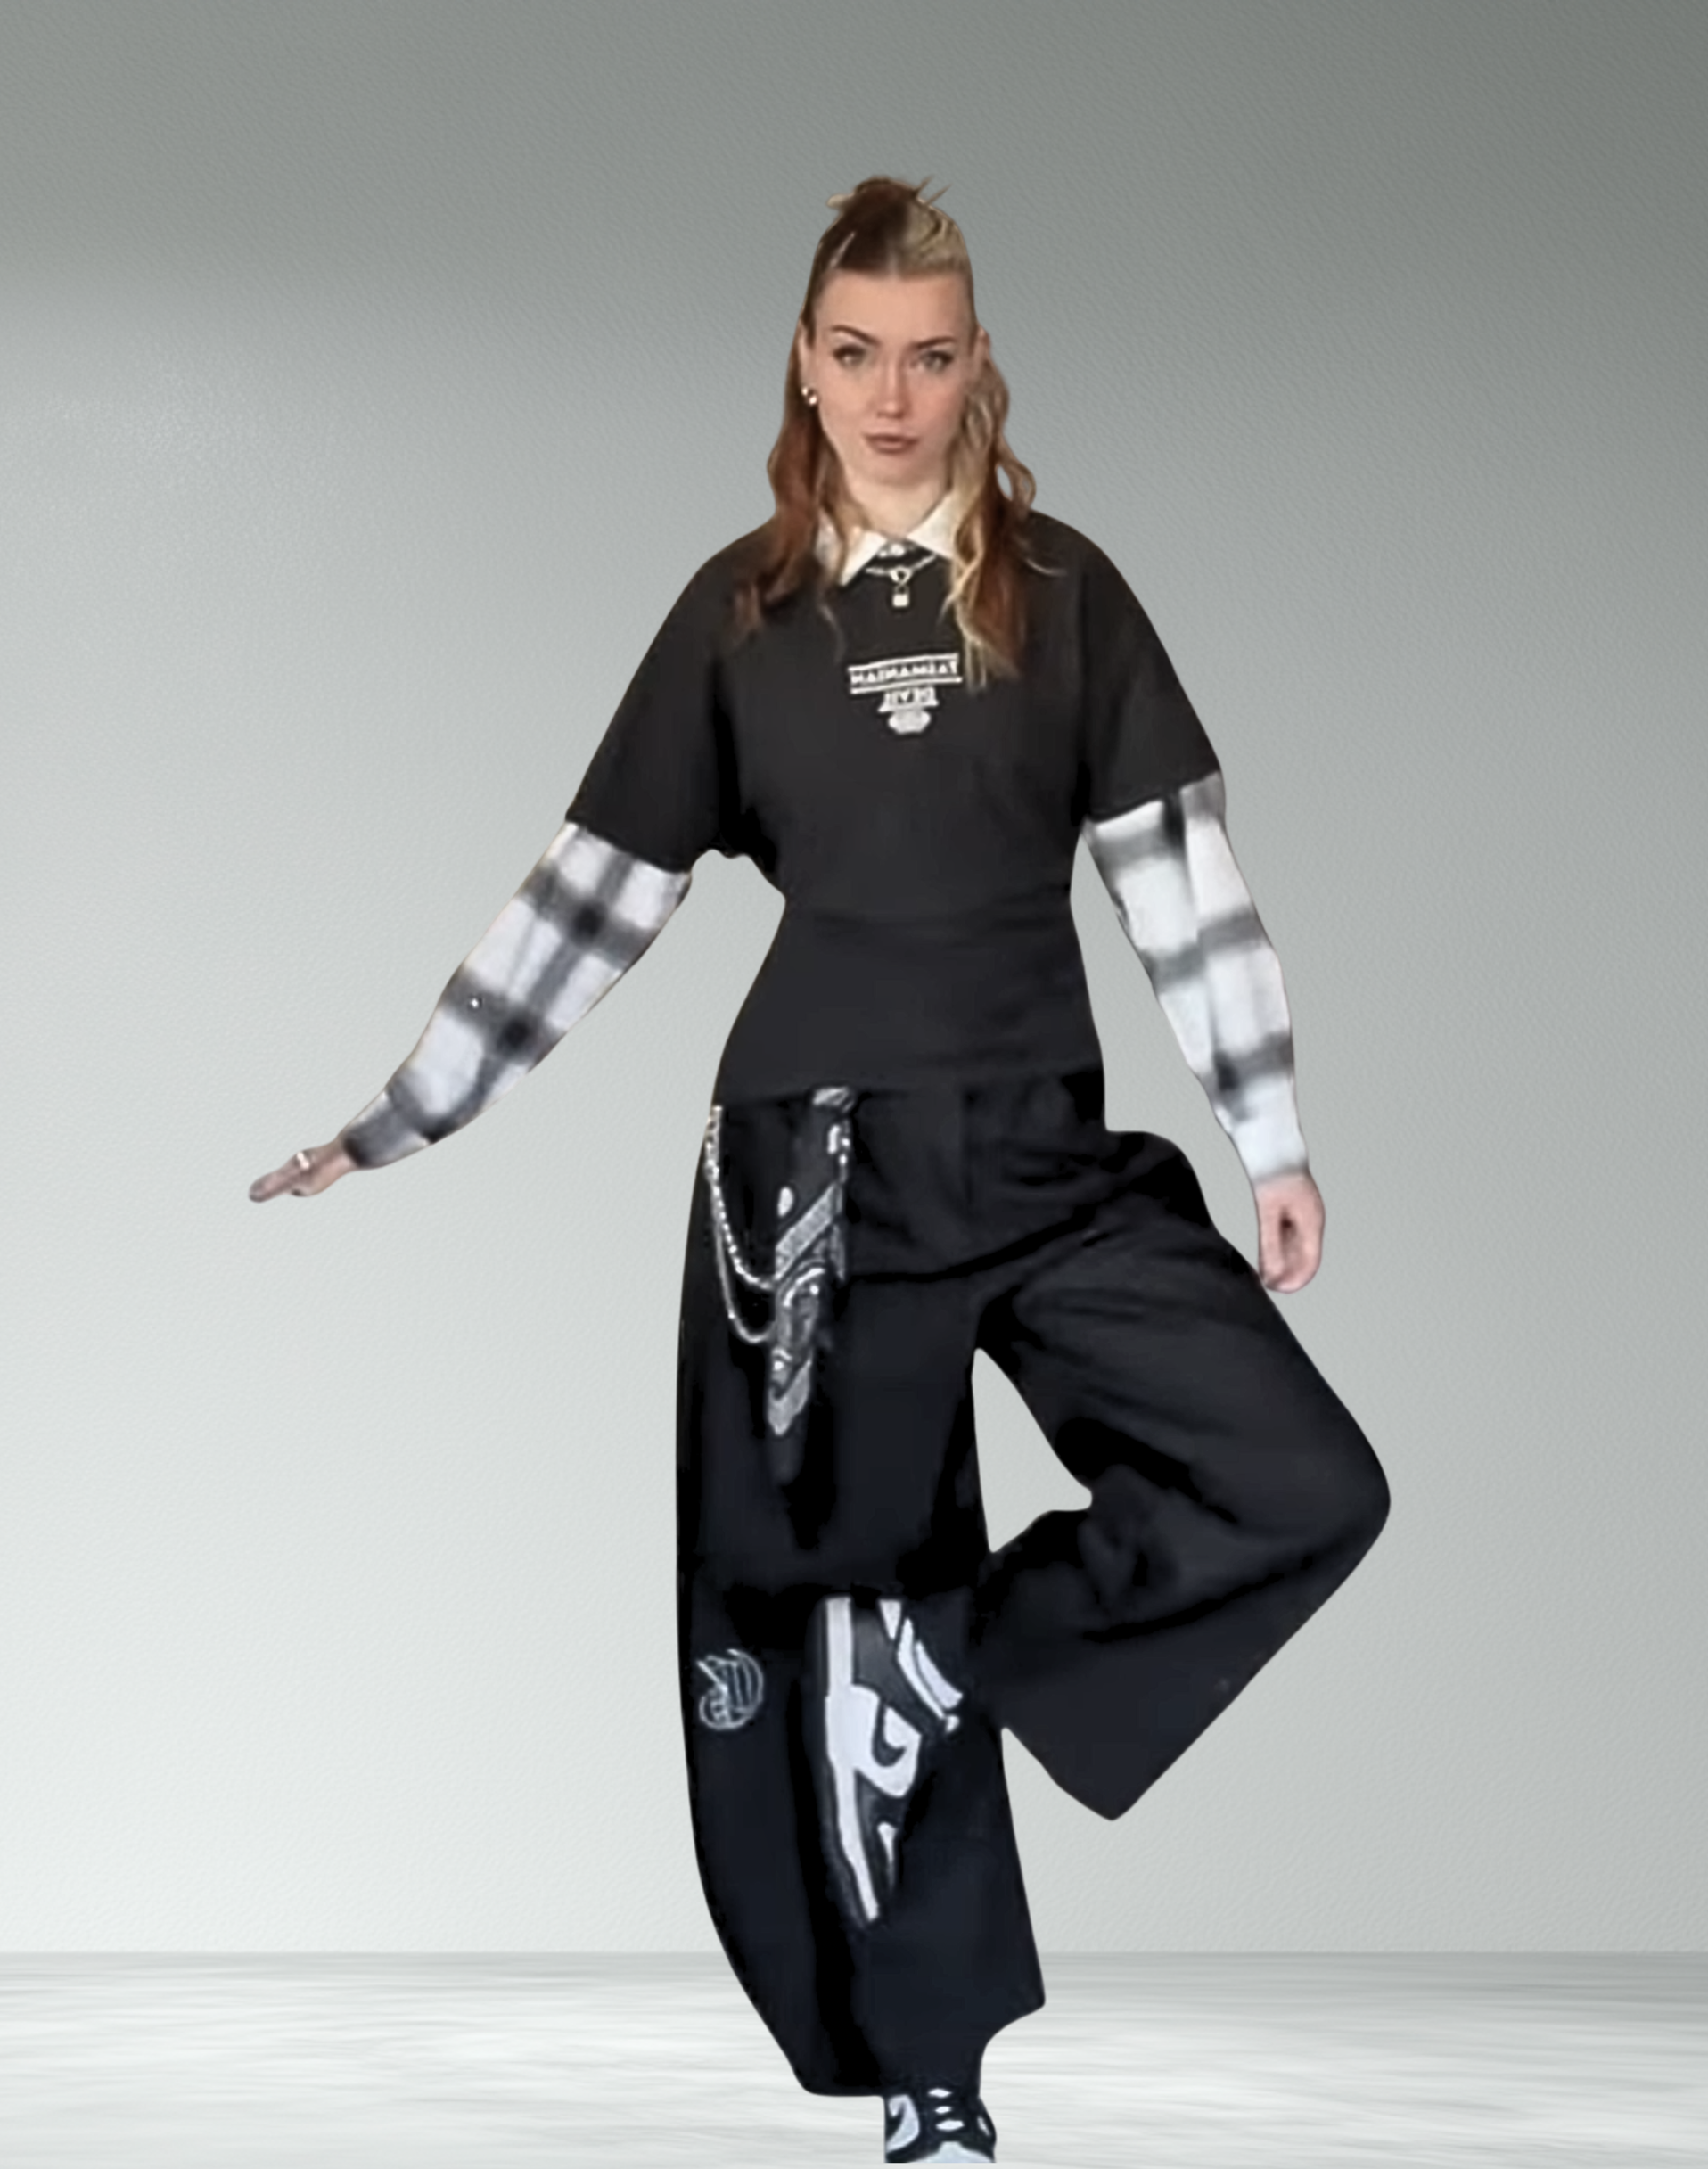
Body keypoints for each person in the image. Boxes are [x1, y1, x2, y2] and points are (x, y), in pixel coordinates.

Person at [251, 176, 1391, 2168]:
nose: (891, 395)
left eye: (929, 356)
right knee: (846, 1596)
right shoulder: (742, 613)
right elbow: (592, 897)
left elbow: (1182, 885)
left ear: (978, 364)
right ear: (804, 359)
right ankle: (930, 2080)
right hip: (813, 1173)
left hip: (1039, 1145)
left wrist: (1265, 1134)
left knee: (1293, 1483)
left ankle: (957, 1653)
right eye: (855, 353)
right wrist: (408, 1109)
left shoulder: (1067, 595)